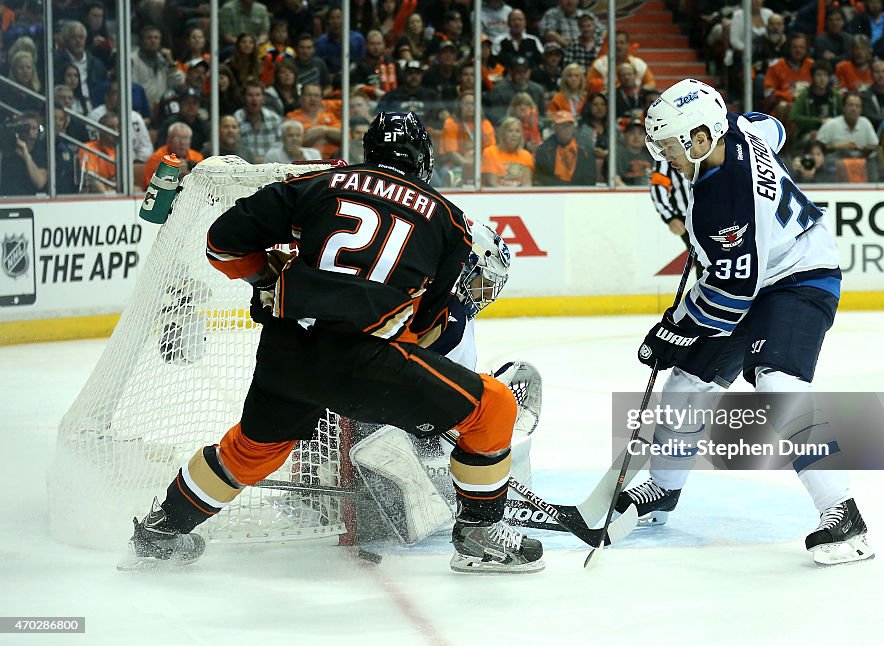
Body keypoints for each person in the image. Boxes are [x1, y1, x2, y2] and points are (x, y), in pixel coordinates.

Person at [125, 112, 544, 574]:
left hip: (286, 355)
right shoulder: (449, 219)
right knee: (495, 406)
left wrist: (268, 276)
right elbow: (428, 330)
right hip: (366, 366)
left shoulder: (319, 183)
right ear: (423, 161)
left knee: (249, 452)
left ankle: (160, 531)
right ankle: (480, 532)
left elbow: (222, 243)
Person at [628, 80, 872, 566]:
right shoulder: (738, 126)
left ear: (700, 138)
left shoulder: (726, 199)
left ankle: (844, 516)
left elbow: (727, 296)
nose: (662, 154)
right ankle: (664, 488)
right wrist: (679, 335)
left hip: (801, 277)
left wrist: (673, 328)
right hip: (762, 274)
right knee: (689, 379)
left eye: (670, 145)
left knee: (777, 379)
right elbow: (773, 128)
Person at [534, 110, 596, 186]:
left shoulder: (586, 149)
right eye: (562, 125)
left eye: (569, 125)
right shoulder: (543, 149)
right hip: (553, 194)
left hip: (579, 194)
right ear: (554, 128)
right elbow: (541, 178)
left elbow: (591, 179)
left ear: (573, 127)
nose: (566, 129)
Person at [0, 111, 47, 197]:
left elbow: (40, 182)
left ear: (38, 132)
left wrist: (26, 156)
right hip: (6, 199)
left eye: (34, 128)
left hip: (31, 202)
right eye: (26, 127)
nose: (29, 131)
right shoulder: (8, 147)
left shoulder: (42, 152)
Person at [481, 116, 534, 187]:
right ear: (502, 134)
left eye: (517, 131)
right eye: (510, 131)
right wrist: (510, 196)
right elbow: (491, 182)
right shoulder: (490, 152)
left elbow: (527, 183)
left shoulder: (526, 155)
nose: (514, 135)